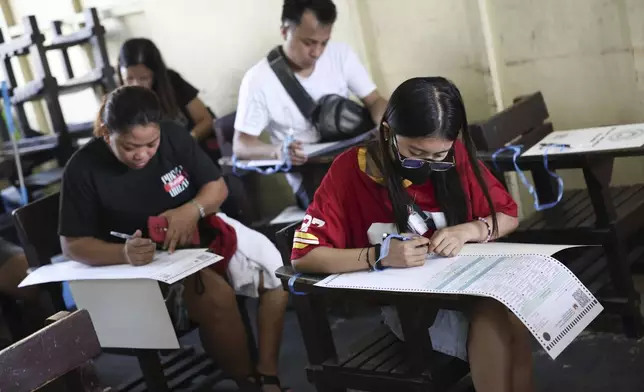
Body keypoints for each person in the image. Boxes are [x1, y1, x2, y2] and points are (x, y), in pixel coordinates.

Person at [290, 77, 534, 392]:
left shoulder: (454, 156)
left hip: (464, 290)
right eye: (416, 152)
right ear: (389, 132)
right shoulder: (350, 171)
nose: (428, 164)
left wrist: (469, 230)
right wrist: (378, 256)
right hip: (412, 310)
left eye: (438, 156)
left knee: (511, 316)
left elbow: (507, 215)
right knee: (496, 321)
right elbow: (304, 257)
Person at [58, 85, 290, 392]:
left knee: (277, 271)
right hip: (137, 267)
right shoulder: (83, 168)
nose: (142, 155)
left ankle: (267, 372)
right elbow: (72, 245)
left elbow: (216, 188)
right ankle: (249, 384)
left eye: (151, 144)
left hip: (197, 235)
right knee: (215, 298)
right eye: (129, 147)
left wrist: (191, 210)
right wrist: (123, 254)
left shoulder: (174, 136)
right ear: (105, 132)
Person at [233, 0, 387, 207]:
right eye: (308, 42)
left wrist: (384, 123)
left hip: (354, 158)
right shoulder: (258, 80)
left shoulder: (341, 55)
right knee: (354, 208)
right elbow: (241, 145)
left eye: (324, 43)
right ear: (285, 31)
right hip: (312, 175)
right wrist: (278, 151)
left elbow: (375, 100)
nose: (317, 52)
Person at [117, 38, 221, 162]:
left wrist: (187, 140)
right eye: (128, 78)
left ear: (155, 74)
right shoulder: (120, 99)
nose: (136, 84)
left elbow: (206, 120)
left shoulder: (172, 82)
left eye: (144, 78)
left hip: (193, 149)